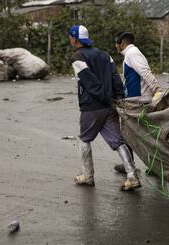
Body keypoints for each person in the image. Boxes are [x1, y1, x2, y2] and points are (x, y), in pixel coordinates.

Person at [68, 25, 141, 191]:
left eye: (71, 38)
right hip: (110, 105)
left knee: (84, 139)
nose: (70, 40)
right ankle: (131, 175)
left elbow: (89, 83)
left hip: (92, 107)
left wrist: (104, 99)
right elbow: (116, 78)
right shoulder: (104, 55)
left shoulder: (77, 57)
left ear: (75, 39)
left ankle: (88, 176)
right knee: (117, 140)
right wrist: (118, 98)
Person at [113, 31, 163, 175]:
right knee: (136, 133)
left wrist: (157, 90)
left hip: (138, 100)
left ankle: (134, 165)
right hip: (135, 99)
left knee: (135, 133)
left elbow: (145, 72)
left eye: (116, 44)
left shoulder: (132, 53)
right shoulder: (132, 53)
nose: (116, 47)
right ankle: (132, 164)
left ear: (121, 42)